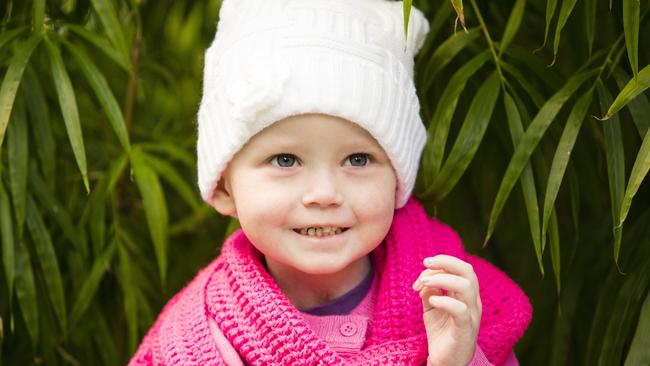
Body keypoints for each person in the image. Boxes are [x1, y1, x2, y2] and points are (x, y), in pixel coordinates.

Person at [129, 0, 532, 365]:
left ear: (398, 179)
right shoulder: (199, 341)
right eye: (285, 160)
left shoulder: (451, 310)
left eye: (358, 159)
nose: (324, 194)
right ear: (222, 186)